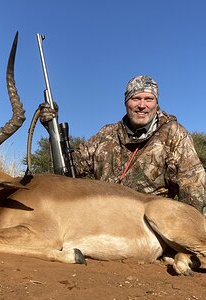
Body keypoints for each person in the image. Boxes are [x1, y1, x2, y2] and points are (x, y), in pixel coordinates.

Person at [40, 75, 206, 215]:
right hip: (103, 218)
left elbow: (194, 186)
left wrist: (186, 230)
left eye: (148, 99)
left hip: (149, 223)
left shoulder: (173, 133)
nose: (142, 105)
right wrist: (53, 129)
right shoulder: (106, 134)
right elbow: (70, 169)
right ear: (126, 102)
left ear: (156, 103)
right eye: (135, 98)